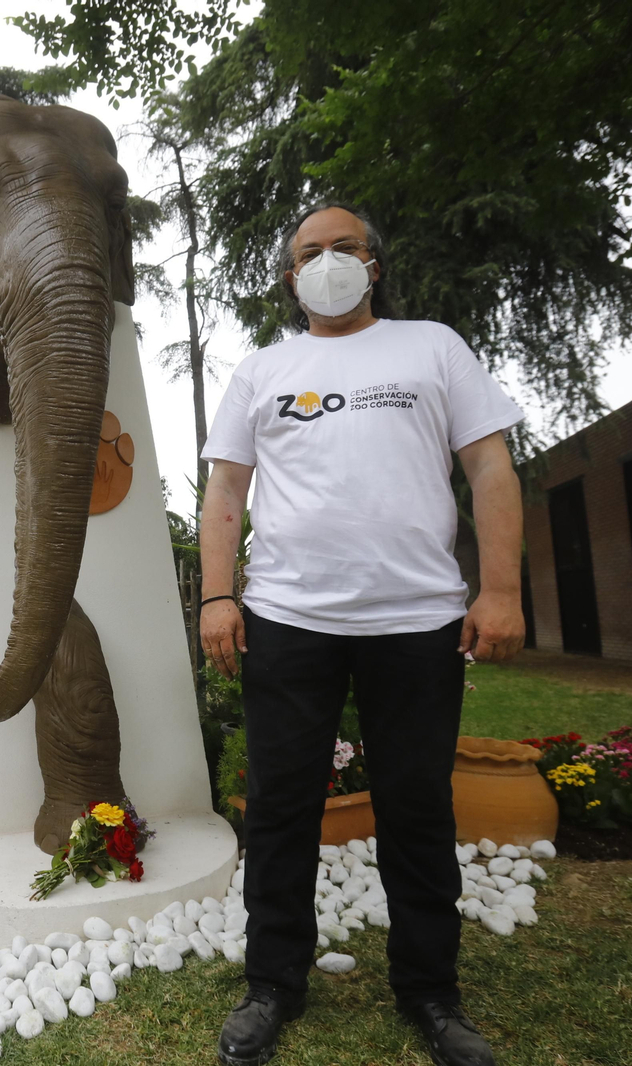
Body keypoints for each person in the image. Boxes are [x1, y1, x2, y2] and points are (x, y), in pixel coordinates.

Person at [198, 202, 526, 1066]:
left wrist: (499, 590)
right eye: (311, 251)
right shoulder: (263, 369)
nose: (329, 261)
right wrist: (215, 597)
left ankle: (431, 994)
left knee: (418, 809)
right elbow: (226, 492)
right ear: (288, 275)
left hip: (417, 621)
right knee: (280, 809)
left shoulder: (434, 347)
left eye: (345, 247)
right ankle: (273, 984)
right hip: (288, 619)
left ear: (374, 264)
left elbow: (489, 463)